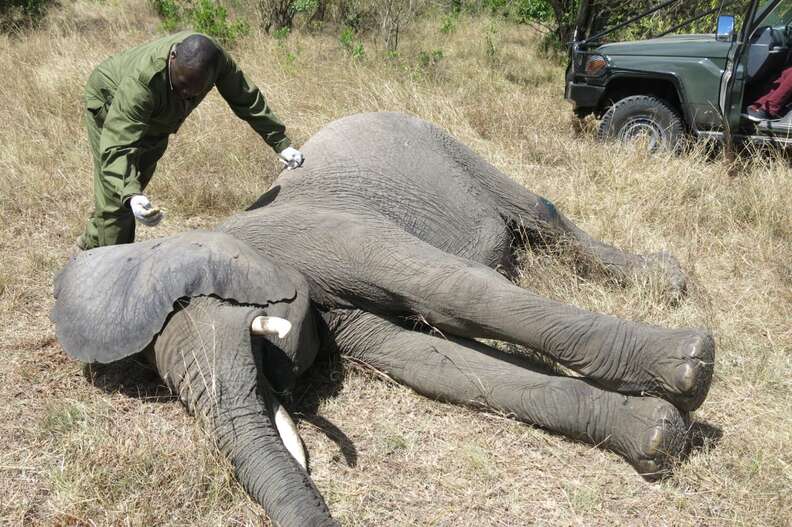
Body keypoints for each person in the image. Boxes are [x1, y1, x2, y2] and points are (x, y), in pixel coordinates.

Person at [76, 31, 304, 250]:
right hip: (109, 100)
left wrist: (281, 143)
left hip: (156, 122)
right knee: (118, 197)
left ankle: (91, 246)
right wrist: (131, 195)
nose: (185, 94)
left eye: (194, 91)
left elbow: (245, 97)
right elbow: (118, 147)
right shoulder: (142, 83)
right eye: (181, 85)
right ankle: (109, 268)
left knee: (132, 187)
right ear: (173, 57)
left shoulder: (216, 60)